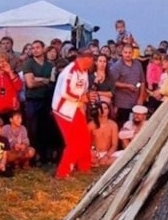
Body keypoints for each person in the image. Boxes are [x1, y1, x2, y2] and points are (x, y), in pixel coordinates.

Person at [51, 49, 95, 179]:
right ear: (84, 59)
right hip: (63, 110)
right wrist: (81, 98)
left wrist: (83, 102)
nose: (92, 63)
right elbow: (65, 92)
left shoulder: (84, 71)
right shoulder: (70, 71)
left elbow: (83, 88)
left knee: (85, 137)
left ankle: (84, 167)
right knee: (73, 142)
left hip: (75, 108)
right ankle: (62, 172)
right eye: (91, 60)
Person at [22, 40, 57, 165]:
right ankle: (32, 157)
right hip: (32, 100)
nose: (35, 50)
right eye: (33, 48)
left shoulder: (50, 65)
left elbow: (52, 82)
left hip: (46, 100)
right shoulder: (28, 64)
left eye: (37, 47)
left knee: (45, 129)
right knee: (32, 129)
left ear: (43, 49)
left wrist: (37, 79)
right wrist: (44, 80)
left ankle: (43, 157)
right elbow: (30, 83)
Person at [111, 45, 146, 129]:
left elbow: (142, 81)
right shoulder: (117, 66)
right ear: (122, 53)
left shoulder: (138, 64)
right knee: (123, 126)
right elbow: (112, 82)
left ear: (133, 53)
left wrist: (141, 97)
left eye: (130, 52)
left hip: (136, 101)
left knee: (135, 126)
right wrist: (127, 86)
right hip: (122, 103)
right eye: (125, 52)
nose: (127, 54)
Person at [90, 102, 119, 167]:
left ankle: (101, 162)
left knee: (123, 154)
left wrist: (106, 156)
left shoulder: (113, 125)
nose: (103, 110)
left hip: (108, 153)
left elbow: (114, 145)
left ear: (108, 110)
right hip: (94, 153)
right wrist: (92, 152)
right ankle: (96, 162)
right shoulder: (91, 125)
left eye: (105, 108)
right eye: (100, 108)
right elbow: (85, 143)